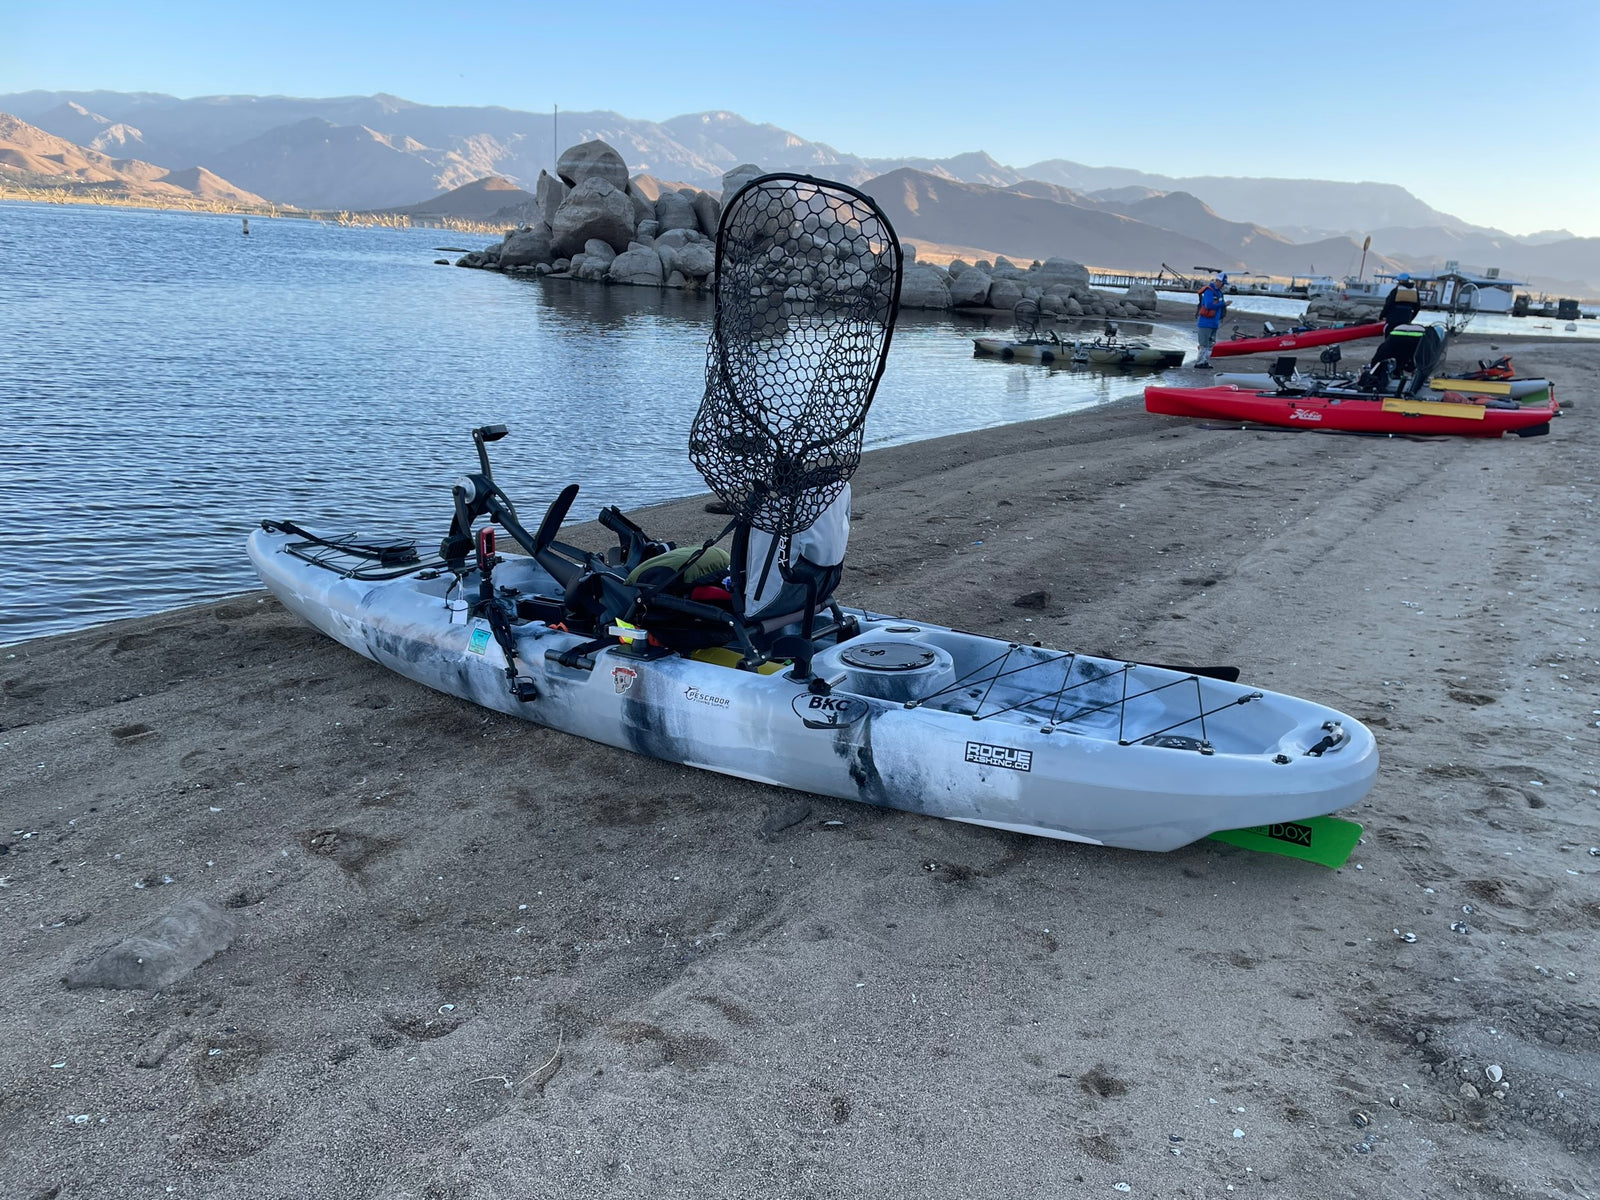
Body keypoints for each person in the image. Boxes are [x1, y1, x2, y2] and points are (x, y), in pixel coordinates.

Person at [1194, 274, 1228, 368]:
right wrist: (1223, 304)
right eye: (1222, 283)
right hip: (1205, 323)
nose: (1223, 285)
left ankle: (1204, 361)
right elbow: (1208, 305)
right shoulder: (1209, 291)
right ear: (1218, 281)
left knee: (1210, 344)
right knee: (1204, 344)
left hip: (1214, 323)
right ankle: (1200, 362)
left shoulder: (1219, 293)